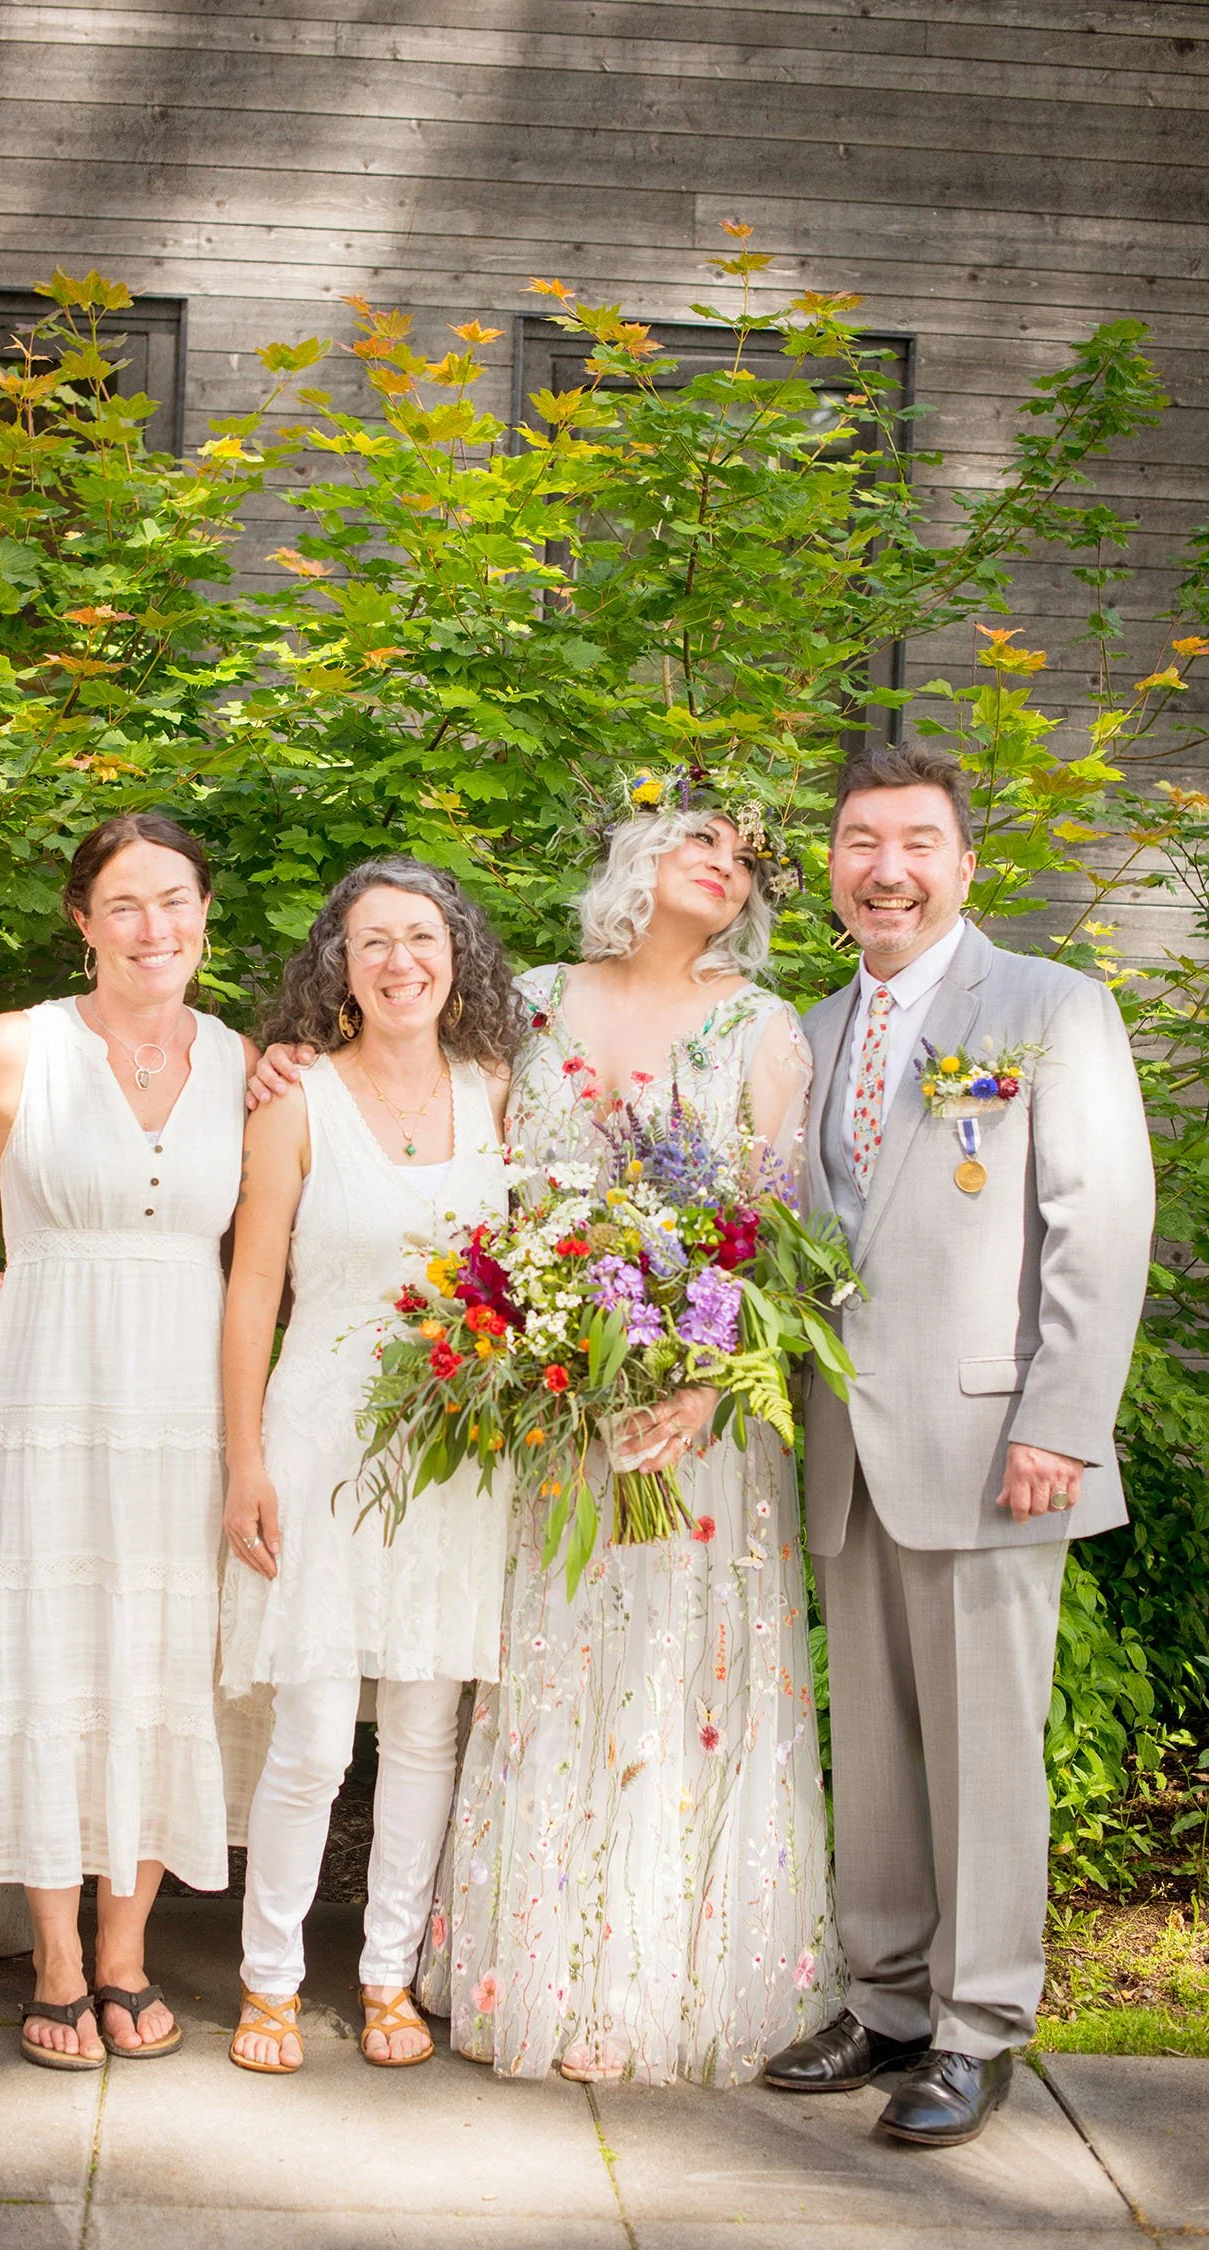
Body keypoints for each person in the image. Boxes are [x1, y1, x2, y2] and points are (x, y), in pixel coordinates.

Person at [249, 801, 840, 2085]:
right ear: (638, 858)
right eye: (703, 839)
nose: (723, 866)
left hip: (693, 1423)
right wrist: (276, 1058)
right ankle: (528, 1967)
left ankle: (637, 1988)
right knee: (538, 1689)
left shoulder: (764, 1026)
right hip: (538, 1421)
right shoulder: (539, 1005)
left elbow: (782, 1238)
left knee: (667, 1687)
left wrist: (702, 1391)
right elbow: (407, 1086)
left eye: (744, 858)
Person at [761, 740, 1154, 2147]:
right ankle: (888, 2000)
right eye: (862, 840)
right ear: (832, 867)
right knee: (872, 1742)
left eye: (917, 840)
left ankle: (981, 2027)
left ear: (964, 861)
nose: (888, 868)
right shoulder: (804, 1032)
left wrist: (1060, 1418)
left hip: (996, 1440)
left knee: (986, 1748)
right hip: (847, 1451)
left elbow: (1099, 1225)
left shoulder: (1049, 1009)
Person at [0, 811, 256, 2071]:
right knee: (48, 1654)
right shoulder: (17, 1047)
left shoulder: (248, 1062)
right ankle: (59, 1960)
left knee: (157, 1651)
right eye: (124, 904)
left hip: (184, 1394)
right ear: (81, 919)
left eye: (174, 900)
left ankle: (129, 1952)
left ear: (202, 913)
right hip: (49, 1391)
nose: (153, 928)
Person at [219, 856, 523, 2075]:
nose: (402, 962)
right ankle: (270, 1980)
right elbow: (250, 1292)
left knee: (426, 1727)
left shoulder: (495, 1089)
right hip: (319, 1441)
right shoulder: (295, 1099)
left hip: (454, 1455)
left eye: (423, 938)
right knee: (309, 1734)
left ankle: (389, 1975)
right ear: (338, 968)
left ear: (457, 956)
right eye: (373, 943)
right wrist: (242, 1459)